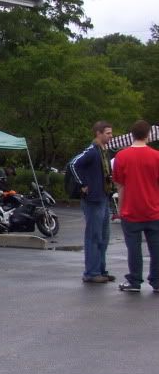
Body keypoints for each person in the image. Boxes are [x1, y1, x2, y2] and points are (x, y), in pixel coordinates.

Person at [112, 120, 159, 293]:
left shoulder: (122, 156)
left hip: (131, 210)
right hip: (154, 210)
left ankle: (134, 281)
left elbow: (120, 185)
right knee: (156, 249)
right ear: (148, 135)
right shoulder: (156, 156)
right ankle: (157, 281)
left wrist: (121, 209)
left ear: (131, 135)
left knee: (134, 248)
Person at [70, 121, 115, 284]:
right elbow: (74, 164)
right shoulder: (91, 151)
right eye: (108, 133)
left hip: (103, 196)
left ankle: (100, 269)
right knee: (94, 235)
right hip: (93, 199)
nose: (111, 136)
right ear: (98, 133)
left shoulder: (104, 152)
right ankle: (91, 272)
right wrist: (82, 184)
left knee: (103, 236)